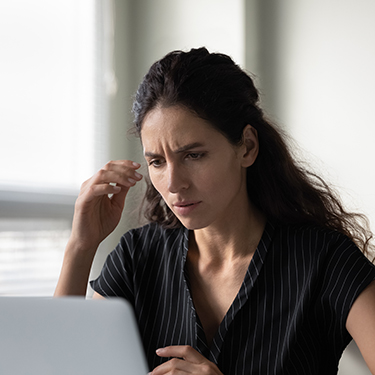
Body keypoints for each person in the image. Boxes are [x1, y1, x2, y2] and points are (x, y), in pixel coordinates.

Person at [55, 47, 375, 375]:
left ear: (247, 147)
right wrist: (81, 246)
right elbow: (57, 367)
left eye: (194, 155)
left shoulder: (324, 259)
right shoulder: (137, 258)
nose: (174, 183)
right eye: (157, 162)